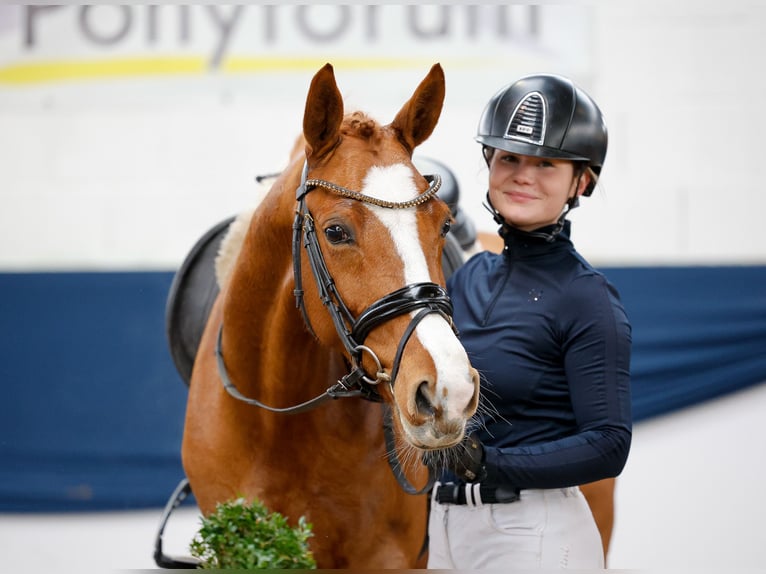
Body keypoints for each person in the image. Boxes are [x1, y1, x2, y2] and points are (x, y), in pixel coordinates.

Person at [426, 74, 632, 569]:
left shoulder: (588, 297)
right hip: (446, 525)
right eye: (509, 158)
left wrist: (487, 463)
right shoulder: (467, 277)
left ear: (581, 181)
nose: (523, 175)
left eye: (546, 164)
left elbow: (609, 444)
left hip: (534, 532)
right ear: (490, 164)